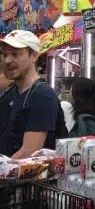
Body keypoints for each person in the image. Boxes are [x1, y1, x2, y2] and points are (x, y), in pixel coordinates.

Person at [0, 30, 59, 158]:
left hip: (23, 171)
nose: (7, 60)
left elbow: (28, 153)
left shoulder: (42, 95)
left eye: (15, 54)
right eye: (4, 54)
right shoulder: (9, 92)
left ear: (34, 56)